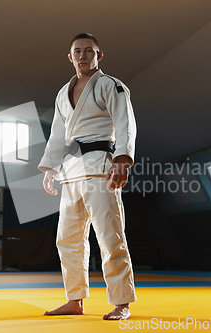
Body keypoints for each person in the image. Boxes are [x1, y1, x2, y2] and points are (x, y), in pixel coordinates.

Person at [38, 33, 137, 320]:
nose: (83, 56)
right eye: (77, 52)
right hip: (70, 172)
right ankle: (74, 299)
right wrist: (51, 169)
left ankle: (121, 302)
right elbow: (58, 135)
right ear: (70, 57)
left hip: (100, 167)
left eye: (89, 51)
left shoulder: (111, 85)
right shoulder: (62, 93)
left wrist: (122, 159)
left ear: (99, 55)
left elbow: (125, 123)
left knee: (109, 235)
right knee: (67, 239)